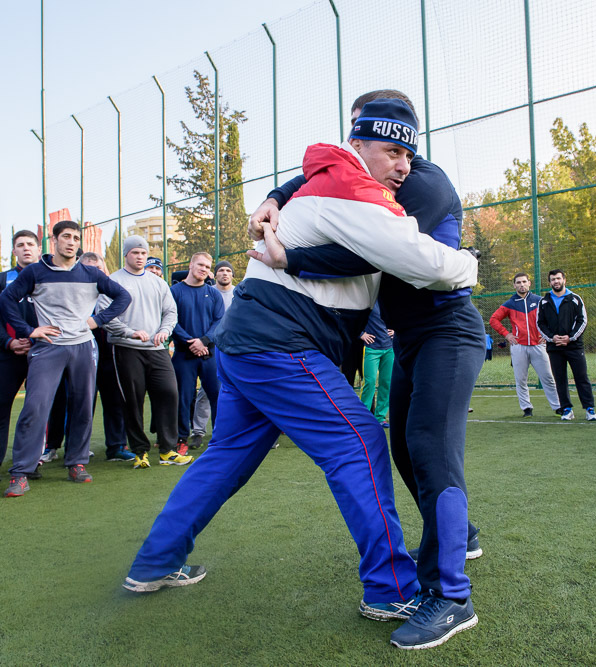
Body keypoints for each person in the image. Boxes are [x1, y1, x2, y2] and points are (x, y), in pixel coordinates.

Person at [125, 99, 478, 651]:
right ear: (355, 143)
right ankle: (391, 589)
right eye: (391, 150)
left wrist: (278, 210)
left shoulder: (332, 178)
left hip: (246, 345)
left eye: (408, 153)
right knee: (361, 442)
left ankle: (154, 561)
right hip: (280, 346)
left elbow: (350, 248)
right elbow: (423, 260)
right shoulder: (353, 188)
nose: (403, 165)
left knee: (226, 457)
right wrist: (469, 263)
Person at [248, 90, 486, 650]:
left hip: (449, 332)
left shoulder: (422, 183)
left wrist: (292, 257)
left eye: (400, 149)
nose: (393, 161)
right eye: (357, 132)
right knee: (402, 448)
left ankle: (452, 596)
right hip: (412, 340)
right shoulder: (365, 177)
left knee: (429, 448)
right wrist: (274, 195)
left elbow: (370, 252)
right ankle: (461, 537)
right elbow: (316, 174)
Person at [0, 220, 131, 496]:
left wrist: (97, 320)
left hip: (83, 348)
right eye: (66, 236)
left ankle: (77, 462)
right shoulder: (35, 272)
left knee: (83, 406)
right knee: (35, 407)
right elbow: (4, 302)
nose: (71, 242)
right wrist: (29, 330)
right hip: (48, 348)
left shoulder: (91, 274)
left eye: (76, 238)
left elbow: (123, 297)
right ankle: (21, 472)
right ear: (54, 240)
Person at [0, 231, 69, 486]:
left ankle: (29, 463)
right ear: (14, 251)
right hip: (10, 353)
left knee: (37, 410)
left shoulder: (53, 277)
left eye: (30, 244)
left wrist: (41, 341)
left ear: (39, 249)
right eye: (20, 245)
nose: (26, 248)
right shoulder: (1, 280)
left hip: (45, 354)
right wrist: (9, 341)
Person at [100, 236, 189, 468]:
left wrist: (164, 331)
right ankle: (140, 451)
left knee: (169, 392)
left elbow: (170, 312)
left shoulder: (157, 282)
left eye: (143, 253)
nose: (139, 257)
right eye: (135, 253)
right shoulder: (113, 281)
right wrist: (130, 333)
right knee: (132, 400)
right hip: (126, 348)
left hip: (157, 349)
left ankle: (168, 450)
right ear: (126, 254)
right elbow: (104, 314)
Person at [79, 252, 134, 462]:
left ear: (105, 271)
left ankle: (117, 447)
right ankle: (78, 450)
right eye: (88, 269)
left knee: (115, 401)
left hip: (111, 354)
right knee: (82, 403)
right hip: (81, 355)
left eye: (98, 269)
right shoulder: (73, 294)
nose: (94, 273)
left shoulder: (113, 292)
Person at [170, 252, 224, 451]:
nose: (204, 269)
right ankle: (182, 439)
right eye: (200, 265)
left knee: (217, 396)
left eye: (207, 267)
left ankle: (220, 438)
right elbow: (171, 320)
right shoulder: (174, 291)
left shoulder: (214, 294)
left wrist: (204, 341)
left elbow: (220, 322)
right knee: (183, 398)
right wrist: (191, 342)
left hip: (209, 355)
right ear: (191, 265)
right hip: (184, 355)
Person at [490, 272, 560, 418]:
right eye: (518, 282)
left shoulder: (540, 301)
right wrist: (507, 334)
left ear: (529, 283)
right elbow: (494, 320)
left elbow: (553, 318)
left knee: (548, 377)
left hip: (538, 345)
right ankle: (527, 408)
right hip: (518, 346)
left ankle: (558, 407)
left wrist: (547, 335)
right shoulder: (509, 304)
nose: (521, 285)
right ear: (514, 285)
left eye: (524, 282)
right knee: (521, 379)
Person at [537, 269, 596, 421]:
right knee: (560, 379)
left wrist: (570, 338)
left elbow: (582, 321)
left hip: (574, 346)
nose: (556, 281)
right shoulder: (544, 301)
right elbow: (540, 323)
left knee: (581, 377)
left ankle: (589, 409)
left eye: (558, 278)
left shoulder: (575, 299)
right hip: (554, 347)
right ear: (549, 282)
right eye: (553, 279)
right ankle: (567, 409)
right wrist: (552, 337)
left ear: (564, 280)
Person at [188, 259, 235, 448]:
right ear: (214, 275)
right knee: (206, 392)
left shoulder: (239, 293)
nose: (225, 273)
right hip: (211, 348)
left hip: (235, 349)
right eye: (221, 270)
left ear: (232, 275)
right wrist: (205, 341)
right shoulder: (208, 293)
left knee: (242, 389)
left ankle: (235, 430)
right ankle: (198, 432)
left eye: (228, 271)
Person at [359, 303, 394, 425]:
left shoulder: (391, 300)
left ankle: (380, 417)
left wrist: (396, 330)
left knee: (386, 383)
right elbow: (353, 317)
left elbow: (401, 316)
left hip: (389, 348)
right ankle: (364, 417)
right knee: (370, 382)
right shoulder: (369, 299)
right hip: (371, 348)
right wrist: (361, 334)